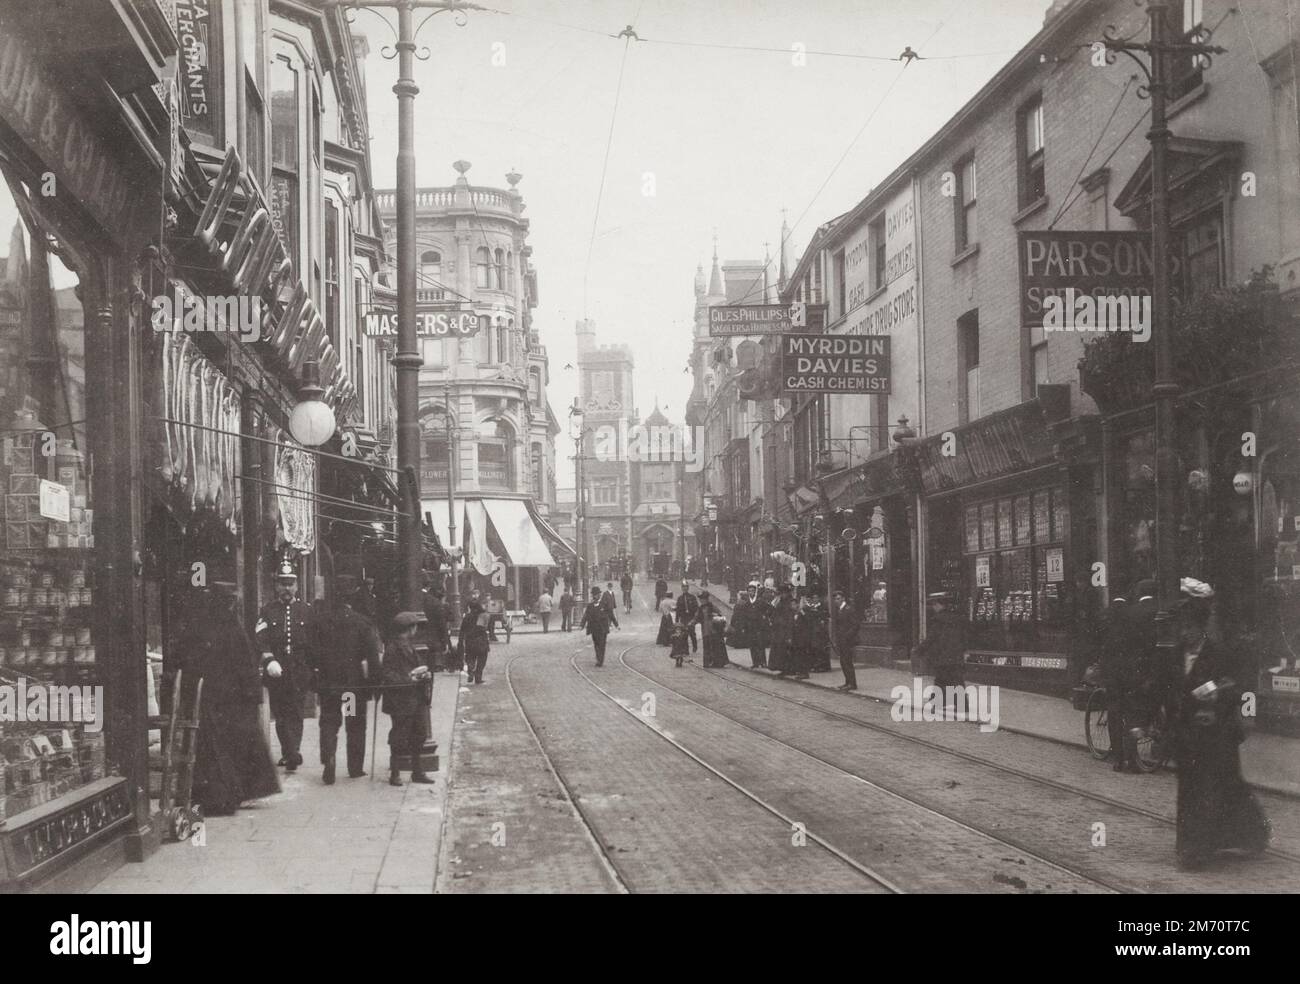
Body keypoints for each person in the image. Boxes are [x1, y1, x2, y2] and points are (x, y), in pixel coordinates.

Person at [1174, 577, 1270, 870]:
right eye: (1180, 628)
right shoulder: (1174, 653)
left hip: (1217, 733)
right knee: (1193, 789)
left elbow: (1237, 683)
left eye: (1188, 628)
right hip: (1187, 734)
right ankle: (1193, 846)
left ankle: (1201, 848)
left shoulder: (1218, 651)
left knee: (1216, 788)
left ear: (1200, 628)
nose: (1183, 634)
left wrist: (1216, 691)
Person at [173, 583, 280, 815]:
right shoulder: (233, 627)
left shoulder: (198, 626)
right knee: (239, 747)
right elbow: (245, 664)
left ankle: (219, 796)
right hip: (234, 701)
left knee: (214, 750)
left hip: (209, 699)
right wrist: (254, 695)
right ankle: (236, 793)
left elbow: (186, 661)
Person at [309, 577, 381, 784]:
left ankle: (329, 758)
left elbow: (312, 652)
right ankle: (354, 767)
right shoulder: (361, 622)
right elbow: (372, 657)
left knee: (329, 721)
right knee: (354, 724)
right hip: (351, 687)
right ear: (353, 595)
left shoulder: (321, 621)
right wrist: (375, 685)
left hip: (329, 685)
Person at [255, 561, 314, 772]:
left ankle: (292, 752)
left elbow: (314, 640)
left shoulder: (306, 610)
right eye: (283, 584)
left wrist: (313, 667)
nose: (287, 588)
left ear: (297, 585)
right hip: (276, 669)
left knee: (296, 711)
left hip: (299, 669)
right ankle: (289, 752)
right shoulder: (267, 610)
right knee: (281, 713)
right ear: (276, 586)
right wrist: (269, 659)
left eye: (290, 584)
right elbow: (260, 638)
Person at [381, 611, 434, 787]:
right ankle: (395, 773)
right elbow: (388, 675)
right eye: (415, 626)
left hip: (415, 698)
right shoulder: (393, 649)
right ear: (409, 629)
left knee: (418, 735)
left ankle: (417, 772)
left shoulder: (409, 646)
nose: (416, 629)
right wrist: (408, 679)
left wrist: (423, 674)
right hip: (400, 700)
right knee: (399, 736)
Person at [1100, 594, 1136, 772]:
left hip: (1114, 677)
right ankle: (1132, 757)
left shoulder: (1107, 620)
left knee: (1114, 715)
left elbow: (1102, 649)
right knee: (1130, 715)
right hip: (1131, 675)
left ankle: (1118, 757)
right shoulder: (1132, 618)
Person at [919, 592, 966, 716]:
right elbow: (964, 636)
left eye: (935, 605)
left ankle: (937, 703)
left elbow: (931, 638)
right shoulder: (957, 618)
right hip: (956, 654)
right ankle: (961, 704)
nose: (934, 608)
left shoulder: (938, 620)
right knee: (956, 679)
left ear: (939, 605)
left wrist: (920, 650)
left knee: (941, 679)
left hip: (942, 655)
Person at [581, 585, 618, 666]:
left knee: (602, 644)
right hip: (594, 629)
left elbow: (611, 614)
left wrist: (616, 624)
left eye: (598, 594)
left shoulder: (604, 604)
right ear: (593, 596)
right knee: (596, 644)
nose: (596, 596)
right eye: (595, 595)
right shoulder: (590, 606)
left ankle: (600, 660)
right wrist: (582, 625)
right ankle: (598, 658)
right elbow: (586, 615)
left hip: (603, 628)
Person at [792, 594, 829, 677]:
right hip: (800, 635)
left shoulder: (805, 610)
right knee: (800, 654)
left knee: (804, 653)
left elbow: (808, 620)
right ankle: (802, 671)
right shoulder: (799, 611)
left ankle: (805, 672)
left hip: (806, 635)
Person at [459, 593, 491, 684]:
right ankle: (478, 677)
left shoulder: (467, 617)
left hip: (470, 641)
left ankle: (470, 670)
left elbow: (462, 631)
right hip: (481, 641)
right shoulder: (483, 616)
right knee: (482, 659)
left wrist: (461, 642)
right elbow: (486, 628)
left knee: (470, 657)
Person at [831, 589, 859, 691]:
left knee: (847, 662)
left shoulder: (849, 609)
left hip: (847, 641)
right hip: (841, 640)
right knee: (843, 662)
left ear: (843, 598)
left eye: (838, 599)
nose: (836, 601)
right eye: (835, 599)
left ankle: (852, 683)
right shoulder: (839, 610)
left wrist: (847, 636)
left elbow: (855, 625)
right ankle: (847, 682)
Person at [422, 585, 454, 672]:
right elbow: (441, 625)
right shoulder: (435, 603)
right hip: (433, 638)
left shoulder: (416, 598)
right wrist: (445, 641)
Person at [696, 591, 729, 668]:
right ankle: (708, 663)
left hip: (714, 631)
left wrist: (716, 615)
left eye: (703, 599)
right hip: (705, 631)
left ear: (706, 599)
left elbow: (721, 615)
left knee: (715, 647)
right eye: (701, 599)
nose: (701, 601)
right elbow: (696, 617)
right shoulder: (700, 608)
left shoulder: (712, 607)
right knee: (707, 647)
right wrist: (690, 624)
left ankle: (717, 662)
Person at [770, 584, 796, 676]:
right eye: (781, 593)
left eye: (784, 593)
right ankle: (783, 668)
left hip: (786, 630)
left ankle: (789, 669)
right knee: (781, 650)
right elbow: (775, 613)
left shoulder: (790, 602)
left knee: (787, 650)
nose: (782, 595)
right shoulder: (781, 601)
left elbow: (790, 617)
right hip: (780, 630)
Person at [748, 582, 770, 670]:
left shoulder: (760, 602)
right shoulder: (747, 603)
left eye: (753, 591)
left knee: (760, 644)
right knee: (752, 645)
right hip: (750, 627)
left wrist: (765, 616)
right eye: (749, 591)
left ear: (755, 592)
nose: (751, 593)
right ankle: (755, 662)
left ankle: (763, 662)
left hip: (759, 626)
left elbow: (769, 609)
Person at [676, 581, 700, 654]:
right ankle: (686, 650)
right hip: (683, 618)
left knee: (692, 633)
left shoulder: (692, 597)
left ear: (688, 588)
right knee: (684, 634)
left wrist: (695, 619)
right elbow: (678, 610)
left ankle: (694, 647)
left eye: (686, 587)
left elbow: (696, 608)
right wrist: (677, 621)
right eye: (683, 587)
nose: (685, 588)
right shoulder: (680, 598)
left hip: (690, 617)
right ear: (681, 588)